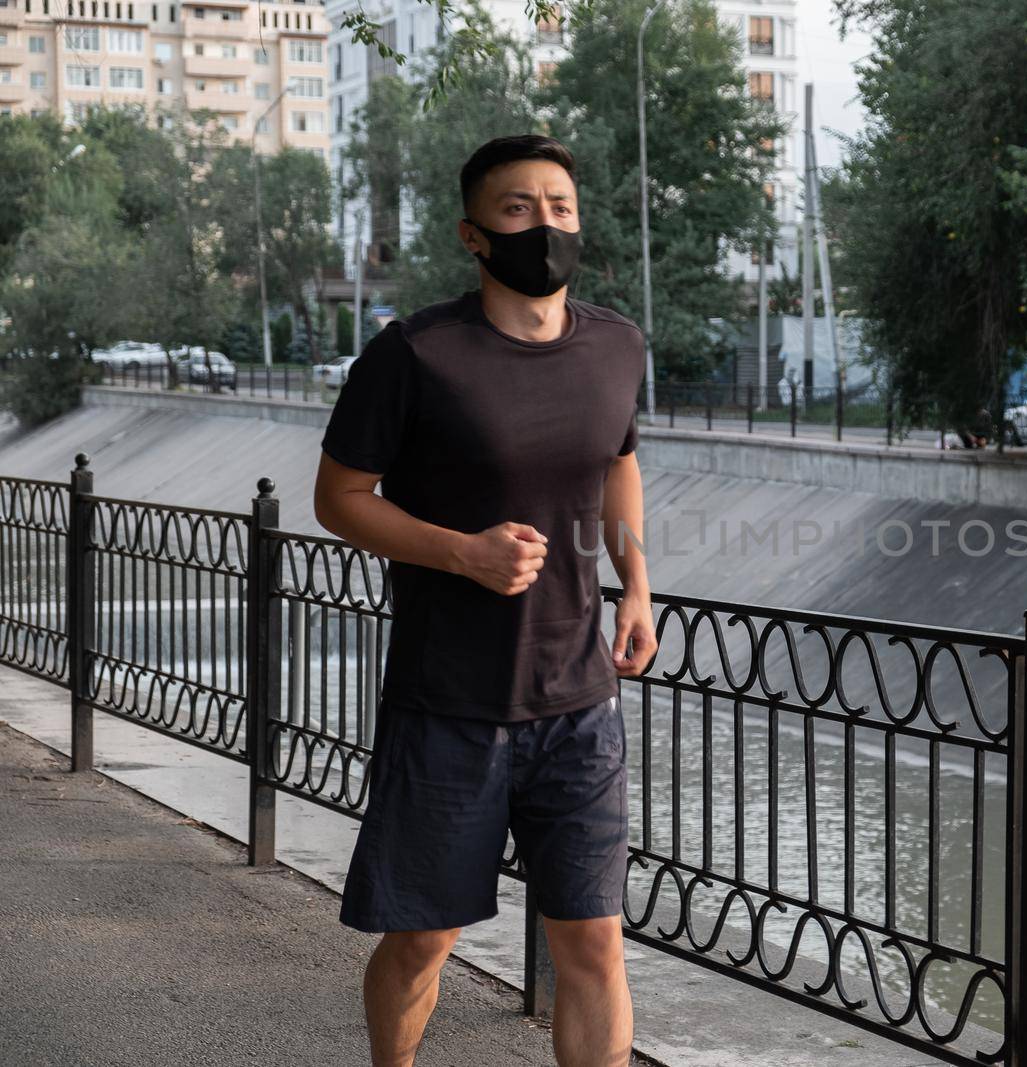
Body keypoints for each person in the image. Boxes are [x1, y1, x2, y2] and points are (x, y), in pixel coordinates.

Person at [313, 134, 657, 1067]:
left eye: (560, 208)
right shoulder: (416, 353)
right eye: (517, 210)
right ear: (473, 234)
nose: (543, 226)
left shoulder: (617, 345)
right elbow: (338, 498)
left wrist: (636, 586)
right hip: (450, 705)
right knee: (425, 941)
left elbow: (617, 461)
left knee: (592, 943)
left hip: (579, 704)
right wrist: (463, 553)